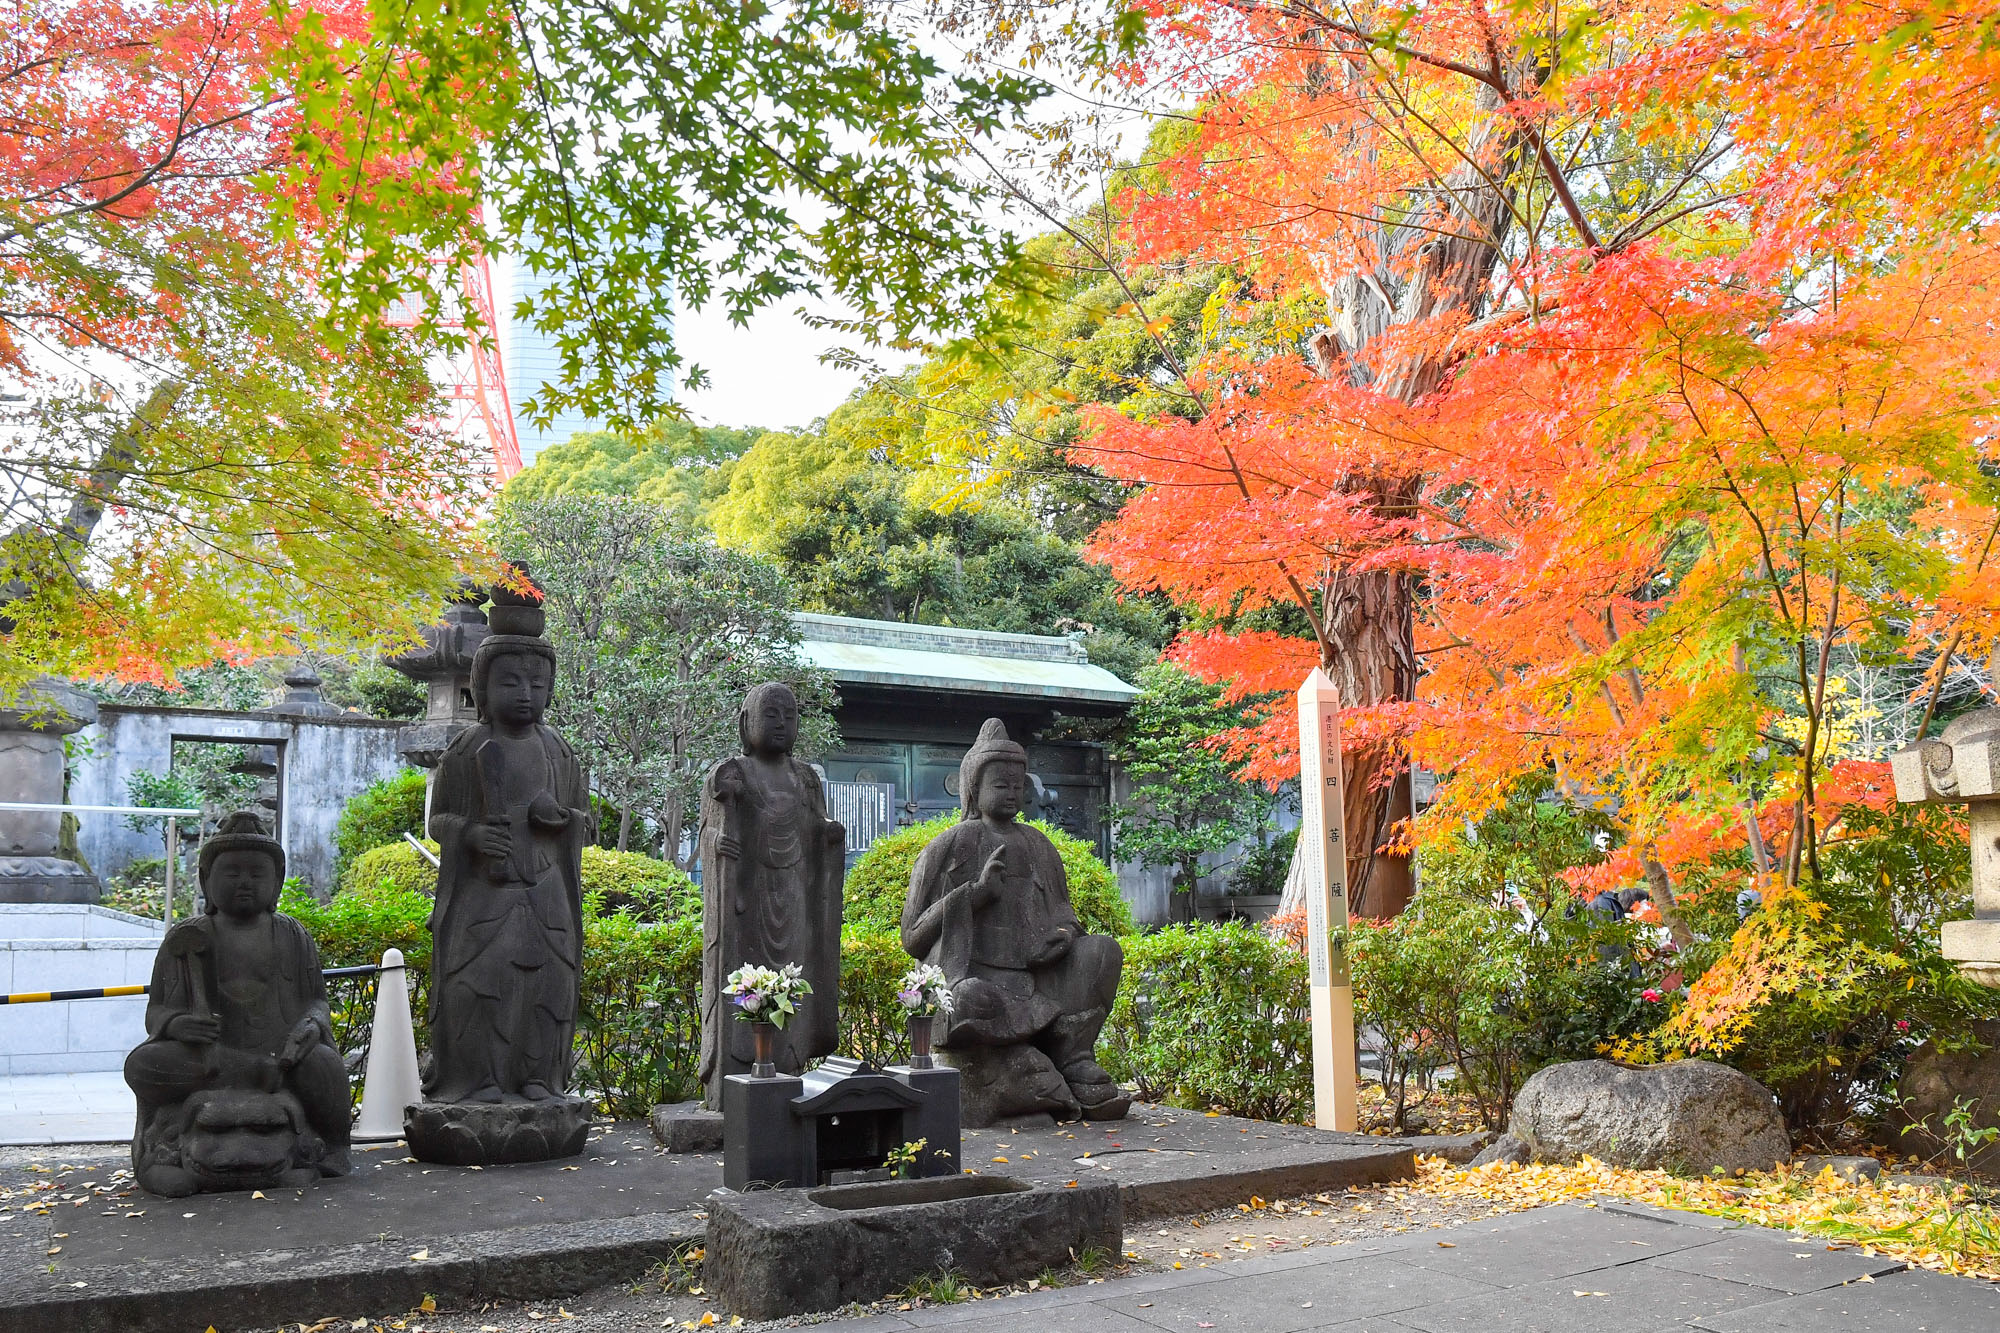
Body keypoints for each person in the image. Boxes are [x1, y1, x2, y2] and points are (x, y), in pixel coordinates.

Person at [903, 718, 1128, 1124]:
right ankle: (1010, 1063)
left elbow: (1065, 916)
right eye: (1000, 784)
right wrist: (973, 895)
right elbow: (912, 937)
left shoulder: (1039, 845)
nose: (1012, 792)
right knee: (968, 997)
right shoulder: (950, 845)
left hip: (1037, 976)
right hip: (976, 979)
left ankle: (1073, 1056)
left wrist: (1060, 937)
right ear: (974, 788)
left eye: (1017, 784)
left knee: (1102, 952)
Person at [124, 811, 350, 1196]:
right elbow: (157, 1012)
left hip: (282, 1055)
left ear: (276, 883)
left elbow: (316, 1002)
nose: (245, 882)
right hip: (210, 1058)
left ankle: (335, 1148)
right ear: (206, 882)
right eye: (231, 873)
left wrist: (311, 1026)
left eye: (257, 874)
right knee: (143, 1066)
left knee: (326, 1065)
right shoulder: (186, 937)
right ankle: (248, 1076)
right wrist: (177, 1025)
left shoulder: (292, 935)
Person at [424, 602, 590, 1104]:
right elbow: (439, 819)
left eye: (537, 685)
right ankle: (479, 1080)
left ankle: (537, 1075)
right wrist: (469, 835)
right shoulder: (467, 746)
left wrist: (560, 818)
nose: (525, 694)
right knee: (478, 983)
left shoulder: (558, 750)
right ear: (482, 687)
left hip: (545, 887)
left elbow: (582, 817)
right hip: (484, 891)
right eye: (511, 683)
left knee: (549, 984)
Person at [697, 681, 844, 1107]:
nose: (781, 723)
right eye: (771, 715)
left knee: (794, 979)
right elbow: (712, 830)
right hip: (748, 900)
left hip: (794, 895)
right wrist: (717, 846)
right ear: (746, 723)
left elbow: (816, 830)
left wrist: (827, 836)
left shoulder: (805, 778)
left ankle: (788, 1067)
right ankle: (738, 1078)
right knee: (746, 981)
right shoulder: (734, 773)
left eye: (789, 715)